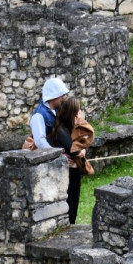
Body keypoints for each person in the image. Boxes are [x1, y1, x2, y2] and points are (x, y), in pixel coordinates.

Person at [48, 96, 86, 224]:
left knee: (74, 207)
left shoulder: (71, 128)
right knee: (69, 210)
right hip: (66, 174)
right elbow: (74, 149)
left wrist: (84, 149)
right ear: (72, 114)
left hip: (74, 172)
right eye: (78, 111)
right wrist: (82, 149)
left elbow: (83, 144)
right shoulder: (61, 130)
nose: (80, 113)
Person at [27, 78, 69, 150]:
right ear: (53, 95)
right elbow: (40, 143)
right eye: (61, 94)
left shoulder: (58, 108)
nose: (63, 97)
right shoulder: (39, 115)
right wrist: (58, 154)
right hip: (48, 158)